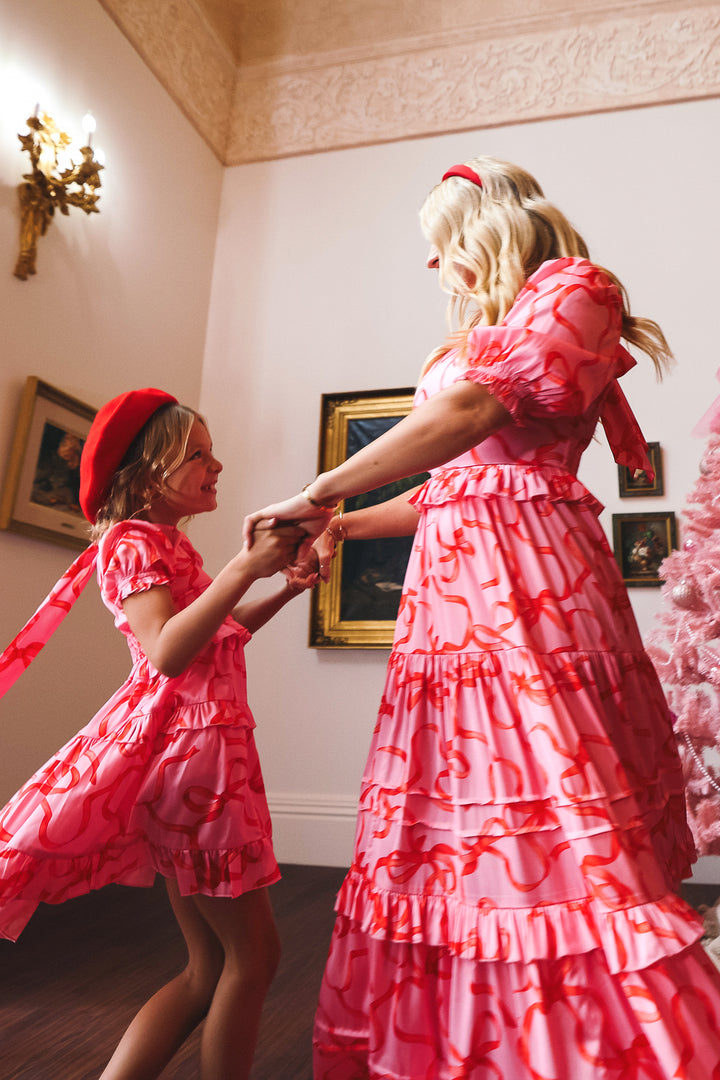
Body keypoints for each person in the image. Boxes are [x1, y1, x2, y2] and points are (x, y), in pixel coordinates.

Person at [244, 158, 720, 1079]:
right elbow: (446, 487)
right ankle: (482, 1052)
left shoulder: (577, 290)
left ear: (486, 227)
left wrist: (318, 485)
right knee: (462, 836)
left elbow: (470, 414)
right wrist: (336, 521)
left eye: (438, 245)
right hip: (453, 605)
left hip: (527, 586)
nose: (433, 270)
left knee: (559, 813)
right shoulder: (494, 331)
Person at [0, 387, 316, 1080]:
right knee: (254, 959)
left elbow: (213, 641)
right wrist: (244, 564)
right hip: (196, 762)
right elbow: (167, 652)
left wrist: (285, 586)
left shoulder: (165, 543)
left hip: (203, 749)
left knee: (210, 967)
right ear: (147, 470)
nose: (218, 465)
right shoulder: (131, 542)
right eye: (197, 455)